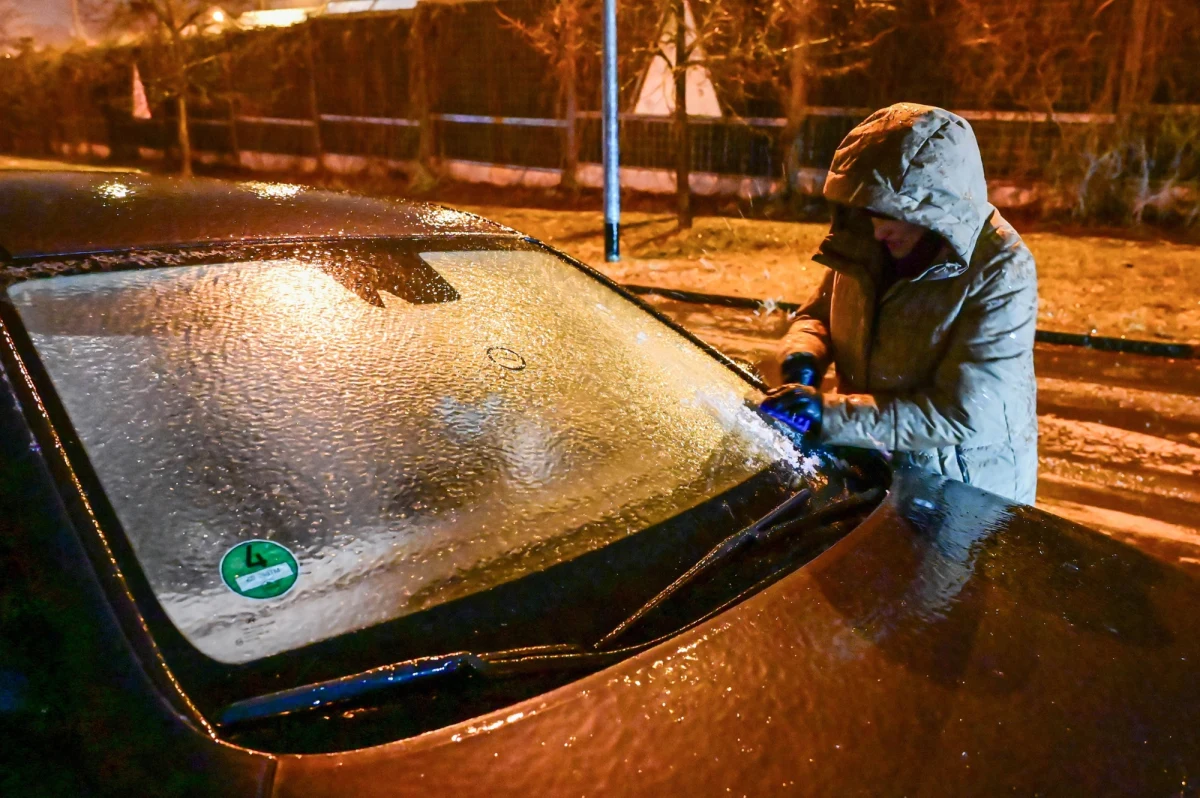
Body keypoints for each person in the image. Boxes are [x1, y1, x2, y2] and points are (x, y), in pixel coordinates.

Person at [760, 103, 1038, 504]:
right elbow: (818, 316)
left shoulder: (1000, 269)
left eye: (889, 212)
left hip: (960, 494)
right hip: (876, 470)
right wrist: (802, 358)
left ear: (936, 207)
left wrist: (830, 415)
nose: (878, 229)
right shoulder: (866, 243)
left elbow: (963, 413)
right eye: (868, 210)